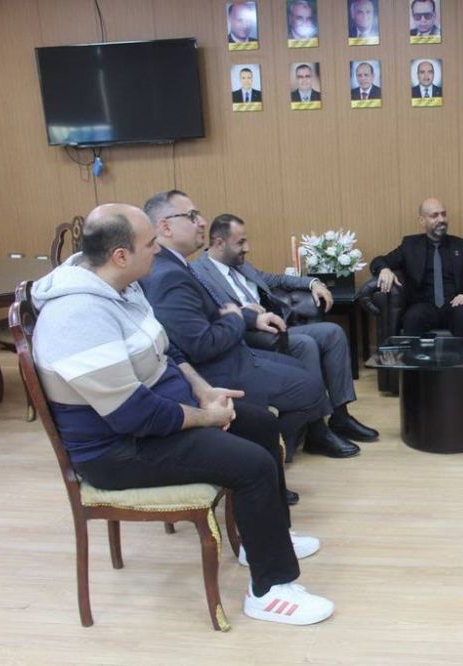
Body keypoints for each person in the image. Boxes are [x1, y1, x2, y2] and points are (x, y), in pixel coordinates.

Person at [31, 203, 332, 625]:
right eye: (150, 243)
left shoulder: (121, 286)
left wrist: (204, 391)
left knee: (261, 424)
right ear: (121, 255)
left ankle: (263, 541)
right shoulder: (78, 316)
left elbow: (166, 351)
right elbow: (133, 414)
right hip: (117, 450)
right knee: (252, 464)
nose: (158, 250)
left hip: (153, 420)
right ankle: (269, 591)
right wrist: (207, 418)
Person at [140, 190, 359, 459]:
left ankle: (309, 432)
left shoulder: (182, 266)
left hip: (239, 344)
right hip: (222, 364)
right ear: (165, 227)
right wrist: (237, 317)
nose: (202, 221)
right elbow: (202, 341)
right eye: (192, 216)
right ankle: (270, 450)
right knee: (311, 385)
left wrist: (310, 283)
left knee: (315, 356)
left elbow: (222, 309)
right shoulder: (172, 274)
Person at [192, 213, 378, 445]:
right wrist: (243, 311)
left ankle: (341, 415)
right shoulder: (199, 273)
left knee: (333, 332)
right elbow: (211, 313)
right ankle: (316, 429)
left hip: (275, 327)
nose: (247, 248)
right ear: (220, 243)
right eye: (240, 242)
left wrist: (313, 282)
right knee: (306, 344)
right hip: (247, 336)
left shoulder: (240, 264)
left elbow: (275, 279)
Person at [370, 198, 463, 338]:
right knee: (413, 317)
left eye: (443, 214)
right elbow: (378, 261)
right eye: (434, 215)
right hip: (424, 305)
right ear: (422, 221)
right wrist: (384, 269)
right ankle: (413, 353)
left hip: (456, 304)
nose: (441, 219)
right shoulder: (410, 246)